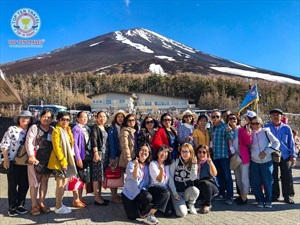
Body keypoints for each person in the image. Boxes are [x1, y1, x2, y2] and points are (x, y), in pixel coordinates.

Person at [0, 110, 34, 217]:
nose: (25, 119)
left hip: (27, 163)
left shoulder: (31, 130)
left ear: (30, 120)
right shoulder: (12, 129)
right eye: (22, 117)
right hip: (13, 161)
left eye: (27, 118)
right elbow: (4, 144)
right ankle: (12, 207)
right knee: (12, 185)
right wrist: (5, 159)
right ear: (19, 119)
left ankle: (20, 205)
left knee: (25, 185)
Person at [264, 108, 296, 204]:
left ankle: (288, 196)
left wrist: (292, 155)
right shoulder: (266, 127)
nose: (276, 116)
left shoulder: (286, 128)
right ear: (270, 117)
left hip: (285, 155)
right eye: (273, 115)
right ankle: (274, 195)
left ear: (281, 117)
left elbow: (291, 142)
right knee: (272, 176)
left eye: (278, 115)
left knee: (287, 176)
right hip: (271, 154)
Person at [25, 109, 54, 216]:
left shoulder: (52, 129)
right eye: (44, 116)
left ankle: (41, 203)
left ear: (52, 119)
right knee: (34, 183)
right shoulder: (34, 128)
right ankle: (33, 205)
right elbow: (29, 142)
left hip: (48, 160)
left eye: (49, 117)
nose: (46, 119)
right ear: (40, 117)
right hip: (35, 159)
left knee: (45, 181)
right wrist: (31, 155)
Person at [48, 111, 77, 214]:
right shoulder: (56, 131)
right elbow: (57, 148)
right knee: (60, 184)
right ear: (58, 120)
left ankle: (59, 203)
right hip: (59, 162)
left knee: (64, 183)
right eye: (63, 119)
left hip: (67, 160)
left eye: (68, 120)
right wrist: (63, 162)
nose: (66, 121)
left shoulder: (68, 130)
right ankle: (58, 206)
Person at [250, 116, 280, 208]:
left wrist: (266, 152)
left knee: (267, 182)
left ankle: (268, 201)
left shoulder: (266, 132)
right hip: (254, 162)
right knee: (255, 183)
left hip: (266, 162)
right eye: (253, 123)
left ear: (261, 124)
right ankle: (259, 200)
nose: (255, 125)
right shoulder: (250, 133)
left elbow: (276, 143)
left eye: (257, 123)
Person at [122, 143, 152, 220]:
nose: (143, 153)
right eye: (142, 150)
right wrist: (136, 166)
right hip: (129, 194)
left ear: (148, 154)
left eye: (146, 151)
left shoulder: (148, 165)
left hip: (140, 192)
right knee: (132, 217)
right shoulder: (131, 163)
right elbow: (134, 177)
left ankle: (142, 209)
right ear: (138, 152)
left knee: (148, 197)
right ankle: (133, 206)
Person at [209, 109, 234, 204]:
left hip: (223, 155)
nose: (215, 119)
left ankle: (230, 196)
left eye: (217, 116)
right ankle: (222, 193)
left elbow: (230, 137)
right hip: (215, 156)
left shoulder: (224, 126)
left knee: (227, 176)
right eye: (213, 117)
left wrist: (229, 131)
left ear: (220, 117)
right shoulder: (211, 128)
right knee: (219, 176)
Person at [168, 143, 199, 217]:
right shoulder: (175, 161)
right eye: (182, 151)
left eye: (186, 151)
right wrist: (174, 193)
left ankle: (191, 204)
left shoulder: (193, 163)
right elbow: (170, 177)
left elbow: (193, 178)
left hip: (186, 192)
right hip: (176, 192)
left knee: (195, 190)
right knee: (182, 213)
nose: (184, 154)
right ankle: (179, 204)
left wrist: (194, 165)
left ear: (191, 152)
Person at [227, 113, 251, 205]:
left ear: (237, 120)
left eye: (234, 118)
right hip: (234, 158)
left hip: (243, 157)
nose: (232, 120)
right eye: (230, 119)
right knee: (238, 178)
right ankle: (241, 195)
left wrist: (248, 134)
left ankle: (245, 197)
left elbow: (247, 141)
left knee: (244, 177)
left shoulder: (241, 130)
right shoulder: (228, 130)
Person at [147, 145, 173, 224]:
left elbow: (169, 180)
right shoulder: (153, 164)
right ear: (157, 153)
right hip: (154, 188)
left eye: (166, 152)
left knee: (169, 213)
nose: (164, 154)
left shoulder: (167, 165)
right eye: (162, 151)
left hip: (164, 190)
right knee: (166, 193)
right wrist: (161, 171)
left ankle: (157, 207)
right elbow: (159, 180)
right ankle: (150, 214)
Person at [90, 111, 110, 206]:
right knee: (97, 176)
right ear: (97, 118)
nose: (102, 118)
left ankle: (99, 196)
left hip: (105, 154)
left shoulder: (105, 128)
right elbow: (94, 140)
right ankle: (96, 198)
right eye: (100, 116)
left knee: (101, 176)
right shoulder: (95, 128)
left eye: (104, 116)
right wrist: (96, 153)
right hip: (98, 154)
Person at [72, 111, 91, 207]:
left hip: (86, 157)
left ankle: (80, 197)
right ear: (78, 118)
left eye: (86, 117)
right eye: (82, 117)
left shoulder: (86, 128)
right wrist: (77, 158)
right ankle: (75, 199)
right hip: (80, 157)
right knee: (77, 178)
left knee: (83, 178)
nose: (84, 119)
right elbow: (74, 144)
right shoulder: (76, 128)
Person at [108, 110, 126, 203]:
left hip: (123, 155)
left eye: (122, 117)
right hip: (115, 154)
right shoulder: (112, 129)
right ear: (115, 118)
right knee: (114, 174)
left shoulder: (125, 127)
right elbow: (111, 143)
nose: (120, 118)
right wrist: (113, 157)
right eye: (118, 117)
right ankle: (114, 196)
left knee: (121, 174)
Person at [194, 145, 218, 214]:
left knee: (205, 183)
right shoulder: (195, 162)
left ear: (207, 154)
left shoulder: (208, 162)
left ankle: (207, 205)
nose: (201, 154)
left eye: (204, 152)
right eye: (199, 152)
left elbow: (214, 174)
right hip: (199, 186)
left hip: (210, 187)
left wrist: (210, 163)